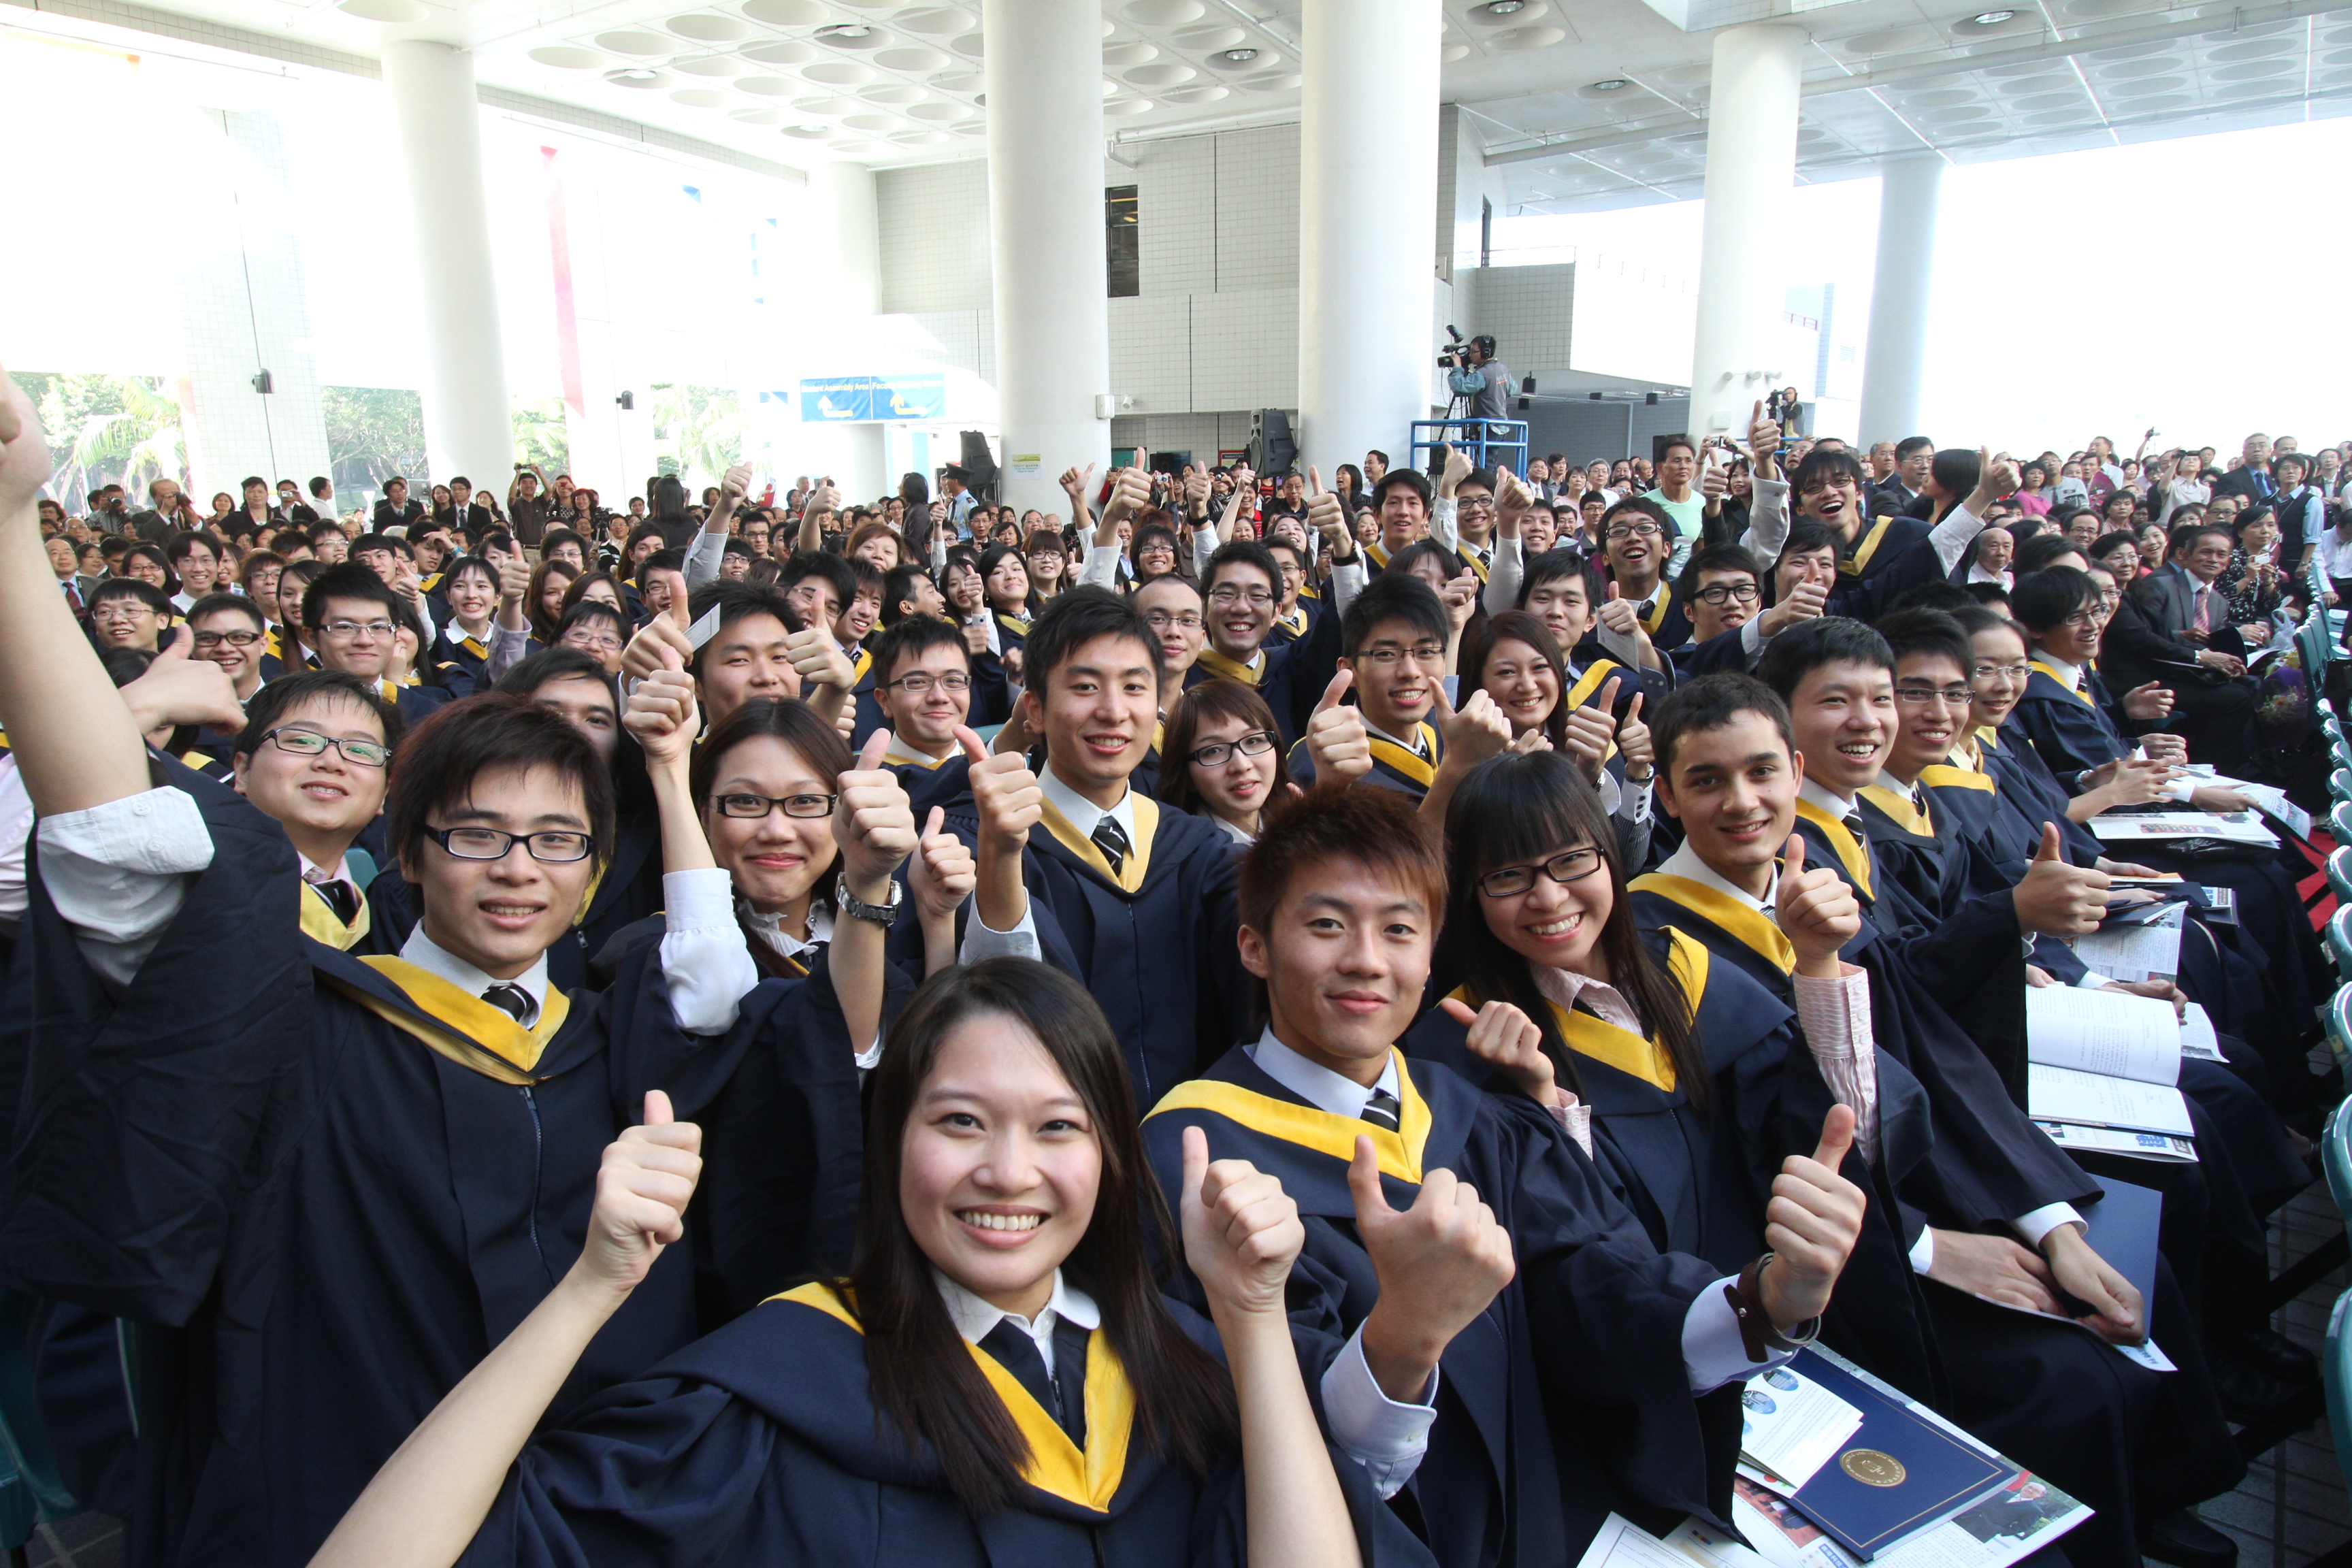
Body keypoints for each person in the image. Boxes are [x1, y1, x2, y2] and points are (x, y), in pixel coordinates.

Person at [305, 960, 1409, 1568]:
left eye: (1059, 1127)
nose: (1008, 1170)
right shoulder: (777, 1393)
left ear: (1116, 1156)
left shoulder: (1189, 1371)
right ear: (893, 1145)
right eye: (961, 1119)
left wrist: (1253, 1312)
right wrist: (590, 1285)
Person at [1140, 781, 1865, 1567]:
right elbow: (1246, 1447)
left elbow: (1595, 1283)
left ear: (1432, 947)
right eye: (1325, 925)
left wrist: (1768, 1302)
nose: (1366, 961)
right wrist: (1403, 1334)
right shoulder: (1192, 1161)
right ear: (1254, 946)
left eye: (1399, 929)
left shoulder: (1468, 1110)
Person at [956, 587, 1257, 1103]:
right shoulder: (977, 845)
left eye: (1136, 686)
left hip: (1192, 1138)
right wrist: (1001, 856)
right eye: (1086, 687)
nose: (1115, 711)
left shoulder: (1191, 845)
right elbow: (985, 1007)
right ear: (1034, 709)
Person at [1158, 678, 1293, 844]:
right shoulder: (1183, 857)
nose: (1242, 765)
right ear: (1186, 776)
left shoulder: (1298, 827)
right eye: (1214, 751)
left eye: (1253, 741)